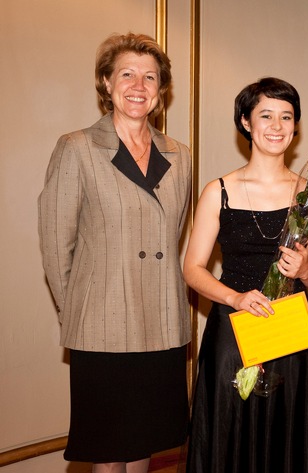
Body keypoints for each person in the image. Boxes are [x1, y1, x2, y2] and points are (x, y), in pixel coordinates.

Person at [38, 33, 192, 472]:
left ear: (161, 90)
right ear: (106, 83)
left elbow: (172, 234)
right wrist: (83, 312)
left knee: (145, 441)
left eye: (150, 76)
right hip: (101, 327)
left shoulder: (179, 155)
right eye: (127, 74)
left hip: (161, 322)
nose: (138, 85)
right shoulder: (77, 148)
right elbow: (55, 245)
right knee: (107, 452)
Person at [184, 77, 308, 472]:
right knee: (230, 439)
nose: (277, 126)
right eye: (266, 115)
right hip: (232, 334)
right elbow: (192, 269)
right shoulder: (219, 191)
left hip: (289, 336)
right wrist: (235, 298)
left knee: (286, 440)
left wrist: (305, 269)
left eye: (287, 117)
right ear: (246, 123)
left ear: (296, 127)